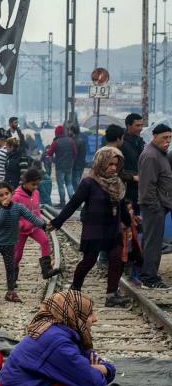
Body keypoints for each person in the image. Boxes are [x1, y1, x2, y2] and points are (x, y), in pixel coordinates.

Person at [0, 290, 116, 386]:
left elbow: (89, 356)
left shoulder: (57, 330)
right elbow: (93, 384)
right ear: (74, 315)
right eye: (89, 313)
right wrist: (103, 369)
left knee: (77, 380)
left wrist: (103, 369)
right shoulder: (57, 342)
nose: (95, 318)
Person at [49, 147, 133, 306]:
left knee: (116, 259)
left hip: (113, 229)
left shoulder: (118, 183)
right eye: (110, 164)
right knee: (89, 261)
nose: (114, 168)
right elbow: (73, 204)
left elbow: (121, 206)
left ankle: (111, 295)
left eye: (116, 164)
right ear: (101, 163)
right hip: (94, 228)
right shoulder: (89, 182)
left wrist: (129, 224)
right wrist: (57, 222)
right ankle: (75, 290)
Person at [138, 123, 172, 289]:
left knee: (152, 241)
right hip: (154, 207)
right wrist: (155, 207)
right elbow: (147, 186)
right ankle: (149, 278)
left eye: (170, 138)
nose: (167, 141)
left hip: (159, 205)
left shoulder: (160, 154)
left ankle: (148, 274)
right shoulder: (151, 156)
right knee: (153, 243)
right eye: (164, 138)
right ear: (155, 136)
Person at [12, 168, 60, 280]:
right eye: (33, 184)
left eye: (37, 184)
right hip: (20, 230)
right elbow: (13, 216)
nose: (35, 187)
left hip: (34, 227)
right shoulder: (16, 196)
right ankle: (12, 277)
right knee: (17, 255)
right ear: (25, 182)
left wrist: (42, 224)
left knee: (45, 241)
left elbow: (37, 211)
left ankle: (46, 270)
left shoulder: (36, 193)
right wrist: (21, 225)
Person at [47, 125, 77, 207]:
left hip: (60, 166)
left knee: (61, 185)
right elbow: (75, 153)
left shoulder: (56, 142)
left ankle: (62, 203)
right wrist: (71, 161)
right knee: (69, 184)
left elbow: (49, 153)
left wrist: (54, 160)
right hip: (69, 166)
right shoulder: (71, 140)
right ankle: (73, 203)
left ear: (56, 133)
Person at [121, 113, 145, 211]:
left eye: (141, 125)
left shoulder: (140, 142)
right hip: (127, 187)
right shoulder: (122, 143)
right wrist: (133, 177)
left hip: (139, 187)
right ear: (128, 126)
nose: (140, 128)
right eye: (137, 125)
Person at [70, 126, 87, 192]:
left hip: (75, 165)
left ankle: (78, 197)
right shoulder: (82, 141)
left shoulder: (73, 141)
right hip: (81, 164)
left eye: (70, 130)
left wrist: (71, 165)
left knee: (75, 183)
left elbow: (74, 155)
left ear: (72, 131)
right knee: (77, 181)